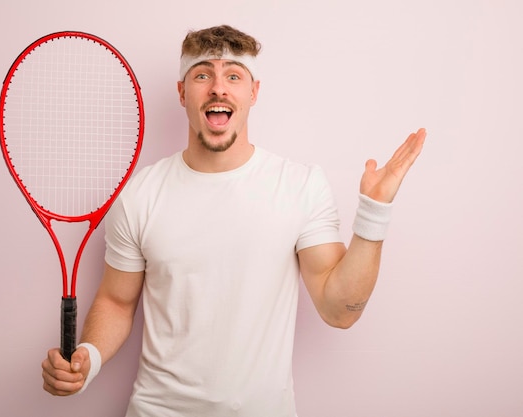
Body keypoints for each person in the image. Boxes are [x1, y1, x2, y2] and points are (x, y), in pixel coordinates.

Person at [41, 25, 426, 416]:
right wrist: (87, 356)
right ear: (182, 92)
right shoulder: (141, 194)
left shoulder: (299, 185)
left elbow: (339, 310)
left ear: (254, 92)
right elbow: (116, 301)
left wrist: (373, 214)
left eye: (234, 76)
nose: (218, 89)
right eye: (203, 74)